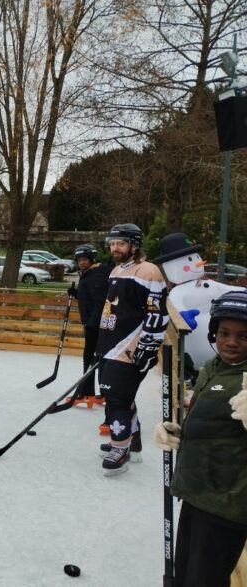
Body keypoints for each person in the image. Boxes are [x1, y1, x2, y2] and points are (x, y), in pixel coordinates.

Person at [154, 290, 247, 586]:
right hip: (196, 491)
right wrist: (178, 431)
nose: (231, 342)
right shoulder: (213, 368)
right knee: (183, 574)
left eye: (244, 336)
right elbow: (210, 420)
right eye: (224, 332)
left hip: (226, 503)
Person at [96, 223, 168, 474]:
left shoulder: (148, 271)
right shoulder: (118, 269)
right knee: (121, 397)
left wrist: (147, 347)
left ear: (134, 245)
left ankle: (120, 448)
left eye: (121, 243)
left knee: (116, 398)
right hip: (111, 345)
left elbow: (157, 313)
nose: (115, 248)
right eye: (113, 243)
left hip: (130, 347)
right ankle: (131, 442)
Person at [67, 243, 112, 403]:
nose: (82, 263)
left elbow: (100, 302)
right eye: (79, 260)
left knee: (90, 357)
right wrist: (77, 294)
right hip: (95, 323)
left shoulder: (97, 275)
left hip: (97, 325)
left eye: (85, 259)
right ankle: (104, 392)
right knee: (100, 358)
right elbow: (91, 299)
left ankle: (87, 393)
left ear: (93, 259)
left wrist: (92, 324)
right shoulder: (90, 274)